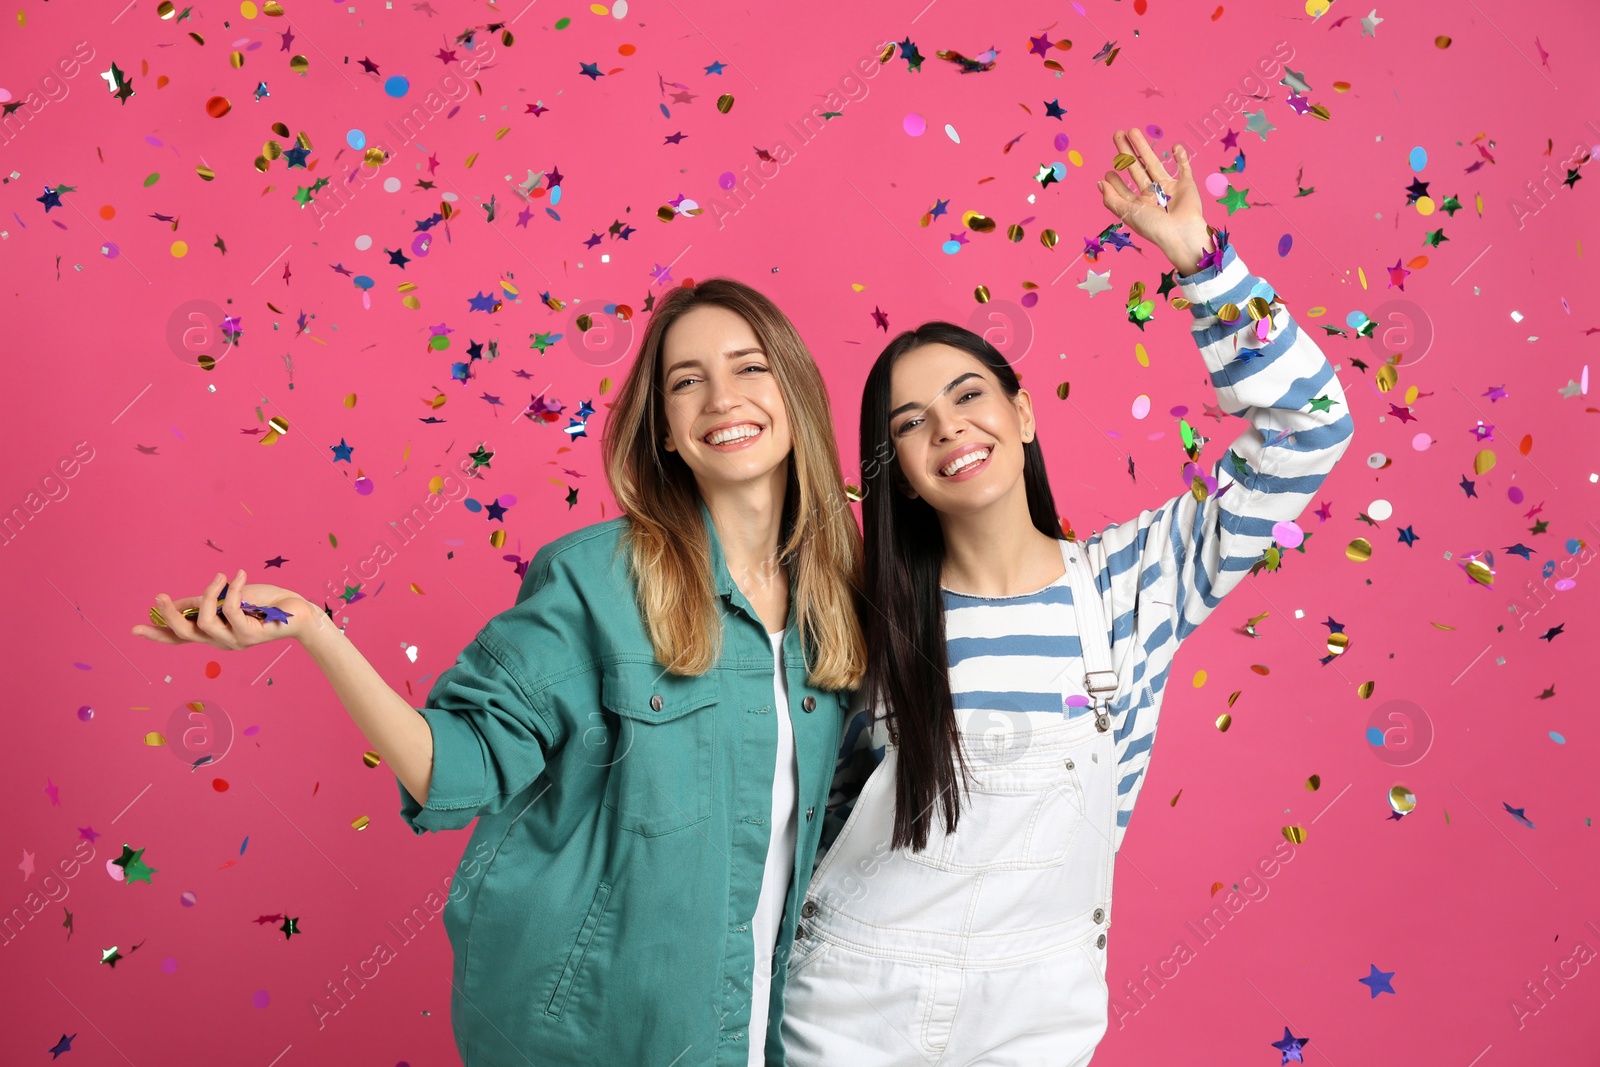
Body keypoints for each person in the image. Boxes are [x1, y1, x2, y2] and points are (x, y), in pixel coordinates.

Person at [132, 276, 867, 1067]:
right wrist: (317, 631)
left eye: (749, 368)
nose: (722, 397)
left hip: (755, 1031)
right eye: (687, 380)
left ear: (794, 390)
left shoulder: (843, 601)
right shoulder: (595, 581)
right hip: (595, 1042)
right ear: (664, 430)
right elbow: (454, 766)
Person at [780, 126, 1355, 1065]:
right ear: (901, 474)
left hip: (1035, 1018)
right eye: (913, 423)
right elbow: (805, 817)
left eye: (971, 396)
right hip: (845, 1008)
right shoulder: (863, 615)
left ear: (1023, 411)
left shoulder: (1138, 579)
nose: (951, 429)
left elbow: (1310, 426)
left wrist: (1200, 263)